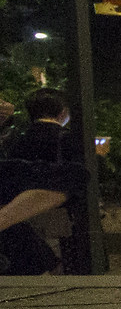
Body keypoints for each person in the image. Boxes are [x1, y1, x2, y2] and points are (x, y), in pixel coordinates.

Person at [0, 90, 83, 275]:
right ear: (62, 112)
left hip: (17, 202)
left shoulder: (20, 138)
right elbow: (76, 173)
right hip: (49, 207)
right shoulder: (66, 138)